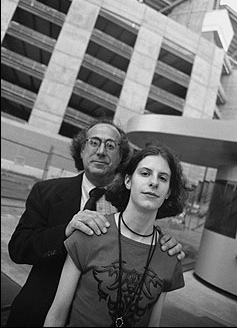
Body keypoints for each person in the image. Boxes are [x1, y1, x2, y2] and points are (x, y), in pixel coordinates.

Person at [7, 120, 185, 327]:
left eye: (110, 146)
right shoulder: (46, 192)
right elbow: (18, 249)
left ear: (121, 157)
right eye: (94, 143)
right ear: (81, 150)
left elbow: (140, 236)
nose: (101, 151)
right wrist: (65, 231)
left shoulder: (129, 204)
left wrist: (162, 244)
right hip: (38, 314)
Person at [44, 144, 187, 327]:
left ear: (168, 192)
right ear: (128, 181)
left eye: (163, 178)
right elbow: (56, 316)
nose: (154, 182)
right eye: (145, 173)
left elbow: (153, 324)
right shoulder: (90, 233)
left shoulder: (169, 254)